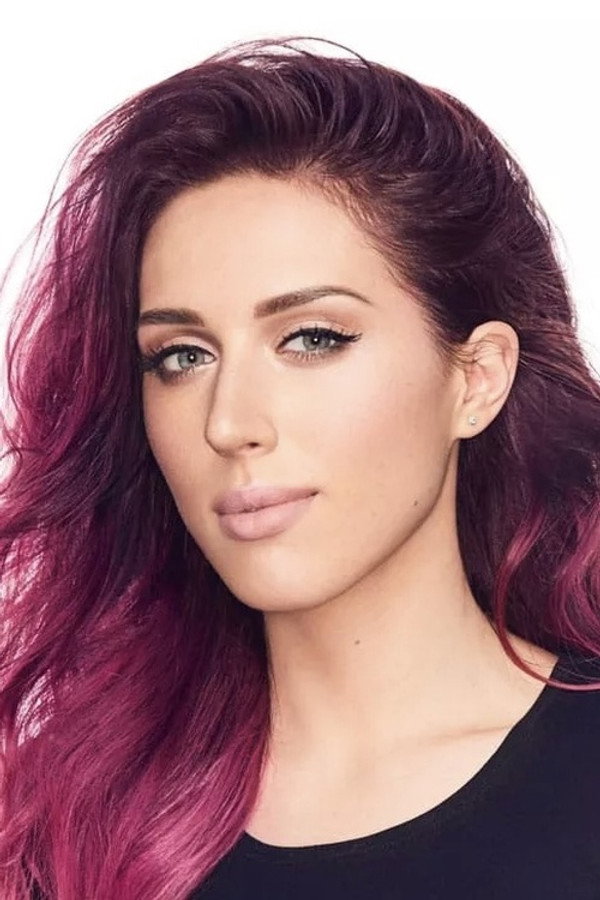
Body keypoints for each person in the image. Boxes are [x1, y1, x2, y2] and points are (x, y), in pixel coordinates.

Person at [1, 34, 600, 900]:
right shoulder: (73, 815)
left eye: (312, 339)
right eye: (181, 356)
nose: (228, 424)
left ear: (475, 379)